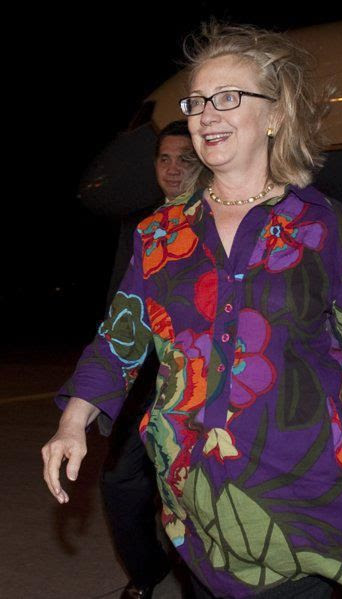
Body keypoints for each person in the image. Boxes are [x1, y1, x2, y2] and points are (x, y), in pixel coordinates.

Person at [42, 25, 342, 598]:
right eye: (197, 101)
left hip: (301, 490)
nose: (206, 115)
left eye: (227, 98)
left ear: (275, 114)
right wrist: (73, 421)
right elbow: (119, 337)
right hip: (195, 500)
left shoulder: (323, 224)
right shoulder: (162, 233)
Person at [80, 120, 196, 599]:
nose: (173, 169)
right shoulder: (138, 226)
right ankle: (147, 570)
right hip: (143, 381)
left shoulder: (218, 222)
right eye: (164, 159)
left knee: (195, 491)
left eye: (184, 159)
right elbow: (119, 309)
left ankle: (199, 577)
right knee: (120, 484)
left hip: (197, 382)